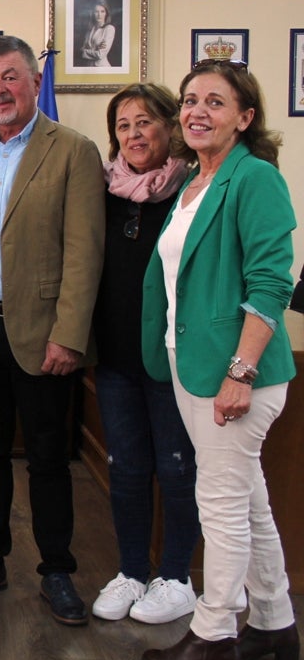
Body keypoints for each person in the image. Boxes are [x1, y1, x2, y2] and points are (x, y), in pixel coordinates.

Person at [0, 34, 105, 626]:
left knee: (48, 456)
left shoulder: (74, 151)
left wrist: (70, 335)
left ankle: (57, 570)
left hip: (43, 331)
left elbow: (85, 255)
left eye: (10, 77)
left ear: (34, 82)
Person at [140, 60, 298, 660]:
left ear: (245, 117)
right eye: (189, 100)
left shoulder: (254, 179)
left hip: (238, 375)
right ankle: (275, 620)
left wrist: (242, 371)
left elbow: (271, 283)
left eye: (214, 101)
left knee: (222, 503)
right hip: (194, 366)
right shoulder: (194, 183)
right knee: (248, 497)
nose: (197, 111)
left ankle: (213, 635)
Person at [90, 83, 200, 624]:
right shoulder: (104, 192)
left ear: (170, 127)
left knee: (178, 470)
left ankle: (177, 577)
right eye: (123, 125)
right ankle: (133, 571)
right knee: (127, 468)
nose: (133, 134)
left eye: (145, 122)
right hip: (115, 359)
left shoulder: (194, 190)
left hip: (176, 361)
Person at [80, 0, 116, 67]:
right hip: (88, 67)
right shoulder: (90, 29)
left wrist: (84, 52)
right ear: (92, 13)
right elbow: (82, 48)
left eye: (102, 11)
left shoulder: (109, 29)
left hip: (102, 67)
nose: (99, 15)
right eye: (96, 11)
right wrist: (95, 49)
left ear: (106, 13)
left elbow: (100, 55)